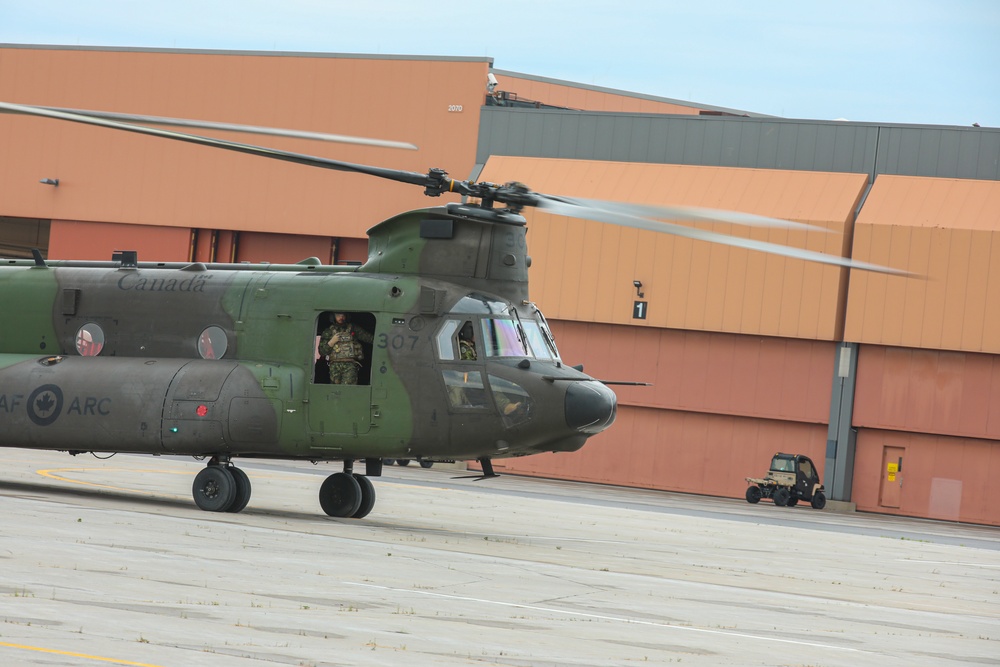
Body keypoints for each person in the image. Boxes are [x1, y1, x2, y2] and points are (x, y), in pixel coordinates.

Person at [319, 313, 373, 384]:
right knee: (335, 390)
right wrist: (331, 342)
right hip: (334, 366)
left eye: (343, 315)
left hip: (350, 365)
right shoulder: (328, 332)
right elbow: (322, 352)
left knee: (348, 389)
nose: (341, 317)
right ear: (333, 316)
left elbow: (369, 338)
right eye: (338, 315)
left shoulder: (353, 329)